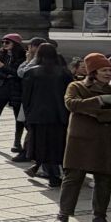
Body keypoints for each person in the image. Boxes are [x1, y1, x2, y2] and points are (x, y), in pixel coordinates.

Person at [58, 52, 111, 222]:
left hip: (106, 141)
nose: (108, 73)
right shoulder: (76, 86)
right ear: (93, 72)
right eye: (104, 70)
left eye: (110, 70)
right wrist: (98, 101)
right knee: (72, 178)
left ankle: (100, 216)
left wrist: (93, 112)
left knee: (104, 180)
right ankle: (63, 214)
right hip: (81, 141)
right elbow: (72, 104)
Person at [18, 42, 70, 187]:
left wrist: (28, 114)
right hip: (60, 114)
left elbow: (26, 96)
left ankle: (48, 171)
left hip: (38, 114)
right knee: (56, 143)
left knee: (41, 144)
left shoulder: (32, 72)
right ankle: (53, 172)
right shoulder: (64, 72)